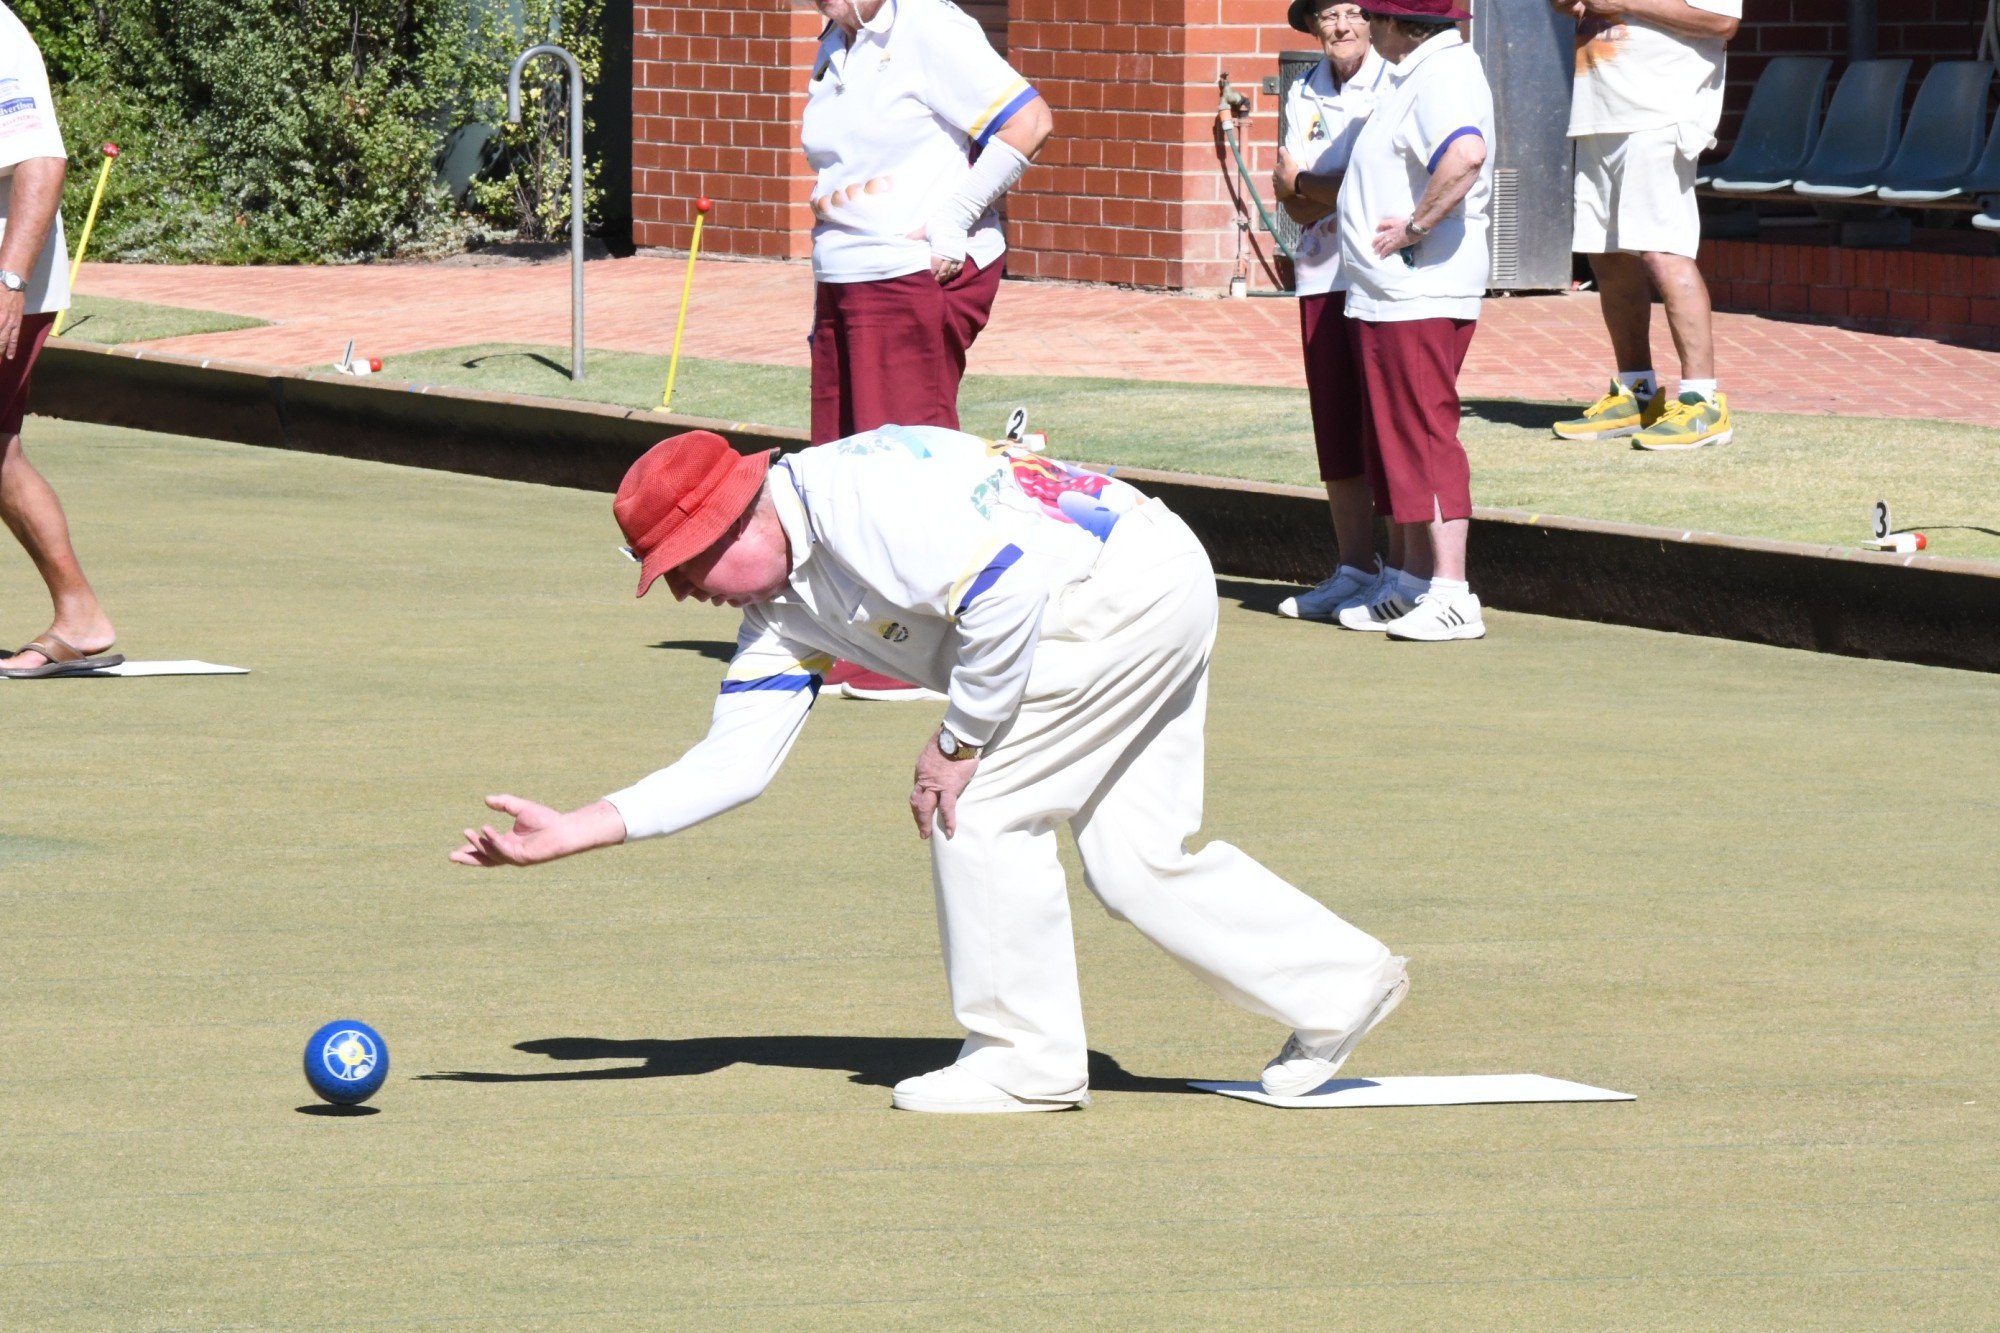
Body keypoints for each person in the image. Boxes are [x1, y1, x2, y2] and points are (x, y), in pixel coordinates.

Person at [453, 427, 1408, 1114]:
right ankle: (1336, 986)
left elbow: (1008, 588)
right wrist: (576, 827)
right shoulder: (784, 606)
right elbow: (736, 761)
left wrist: (956, 743)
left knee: (979, 806)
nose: (683, 591)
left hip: (1118, 592)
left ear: (737, 519)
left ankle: (1023, 1057)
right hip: (1131, 588)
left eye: (686, 563)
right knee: (1137, 860)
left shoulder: (864, 498)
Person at [801, 0, 1054, 701]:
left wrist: (953, 215)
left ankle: (926, 647)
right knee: (845, 471)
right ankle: (868, 638)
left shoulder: (930, 26)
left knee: (906, 469)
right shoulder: (835, 40)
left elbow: (1029, 123)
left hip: (912, 276)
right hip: (844, 277)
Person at [1330, 0, 1494, 642]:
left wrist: (1416, 226)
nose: (1364, 25)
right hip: (1390, 293)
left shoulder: (1443, 74)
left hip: (1421, 289)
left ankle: (1453, 591)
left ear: (1399, 24)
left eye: (1372, 14)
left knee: (1426, 432)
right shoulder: (1415, 71)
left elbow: (1466, 154)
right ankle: (1413, 582)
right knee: (1397, 437)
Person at [1551, 0, 1742, 451]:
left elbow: (1722, 22)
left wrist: (1621, 3)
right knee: (1608, 256)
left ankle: (1703, 403)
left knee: (1663, 251)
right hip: (1597, 113)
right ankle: (1638, 395)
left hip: (1660, 113)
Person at [0, 6, 117, 679]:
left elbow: (42, 160)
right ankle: (80, 615)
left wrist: (10, 279)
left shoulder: (1, 36)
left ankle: (81, 614)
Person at [1270, 1, 1391, 623]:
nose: (1341, 27)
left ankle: (1399, 575)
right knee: (1337, 429)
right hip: (1320, 275)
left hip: (1385, 277)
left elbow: (1380, 188)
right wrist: (1323, 189)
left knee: (1386, 426)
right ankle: (1354, 569)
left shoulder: (1395, 79)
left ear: (1372, 21)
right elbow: (1291, 201)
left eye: (1351, 12)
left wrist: (1314, 185)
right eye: (1328, 15)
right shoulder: (1303, 90)